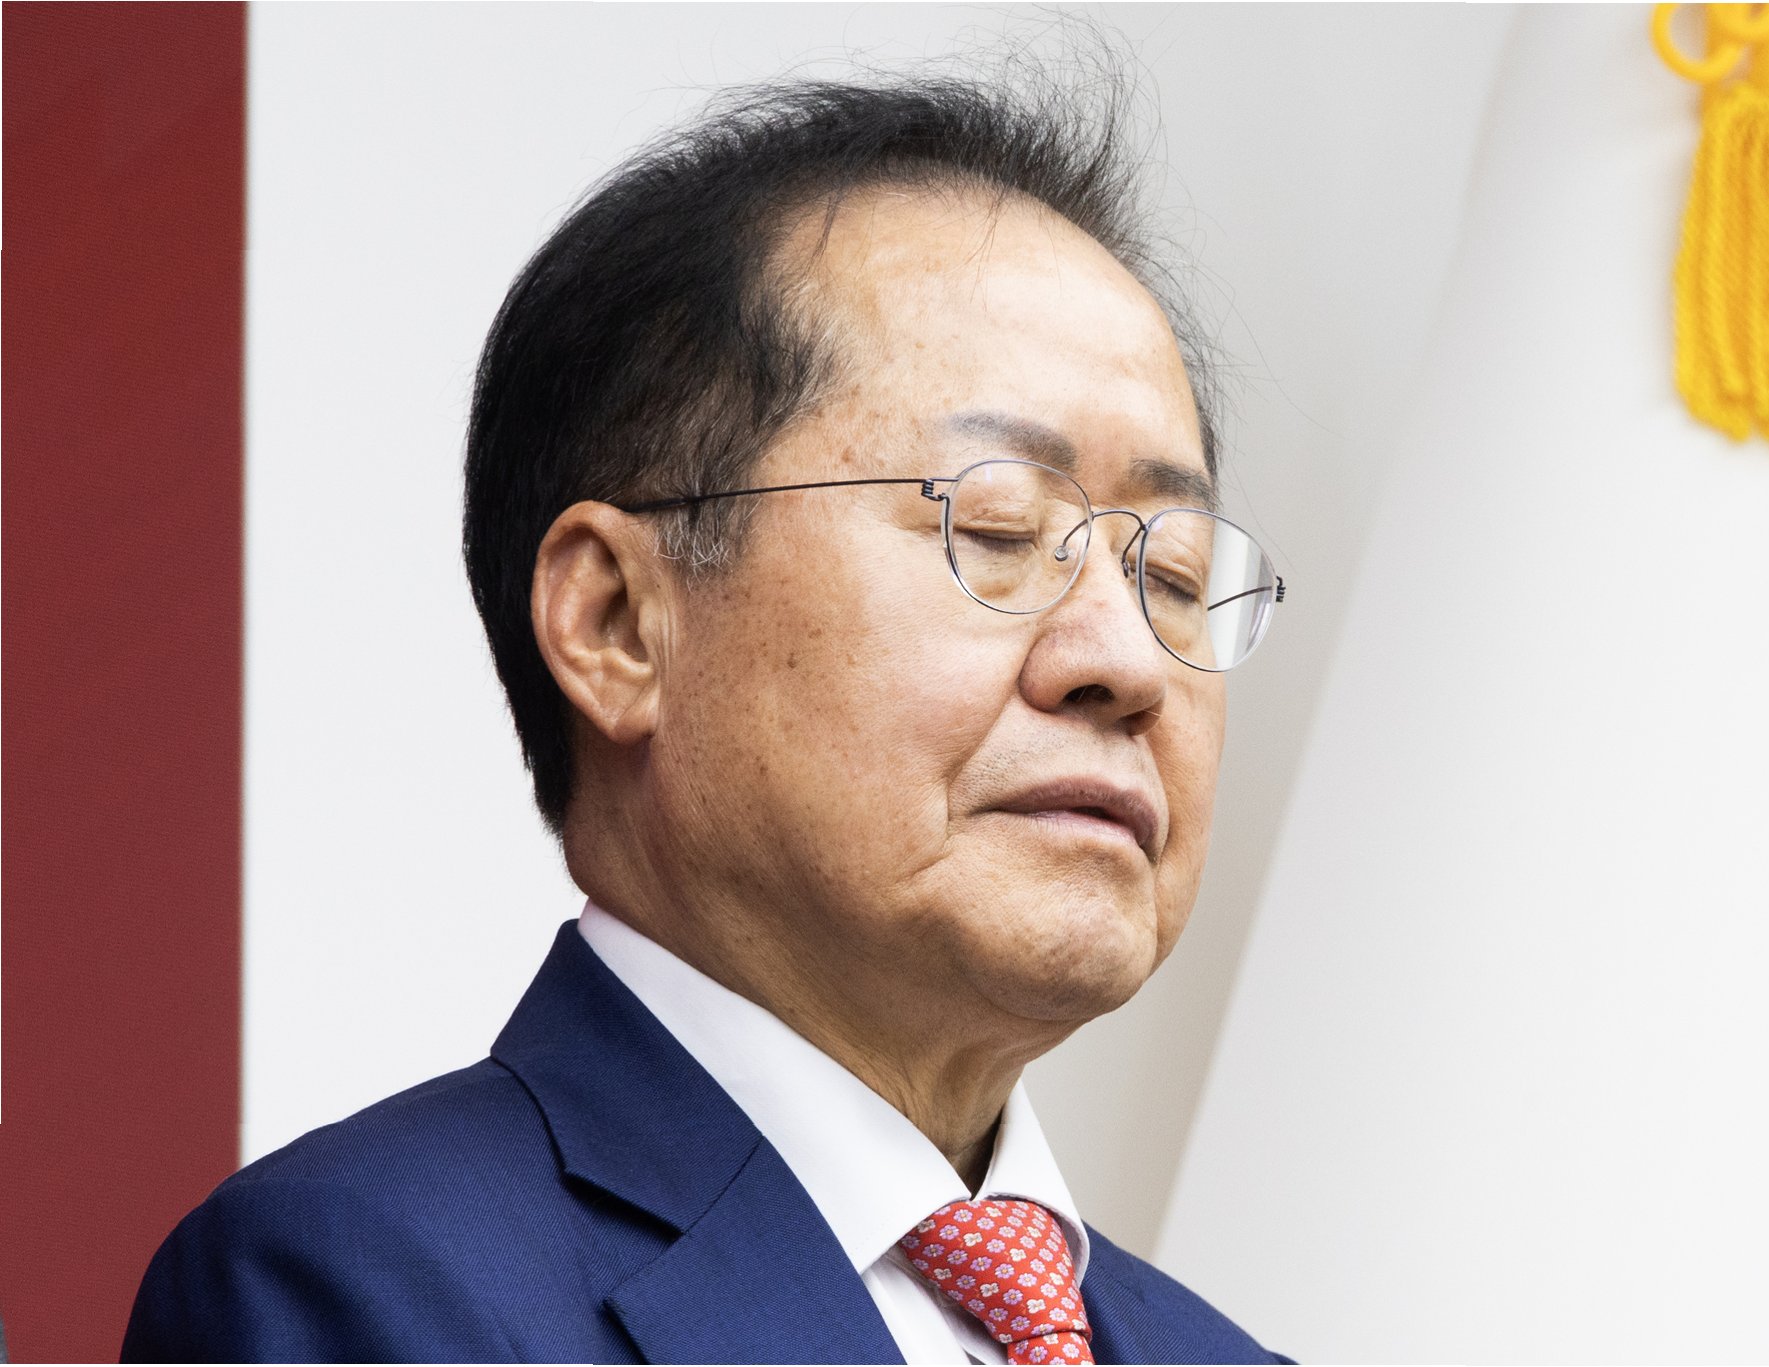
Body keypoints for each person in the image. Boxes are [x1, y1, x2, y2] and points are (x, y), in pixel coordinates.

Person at [124, 65, 1289, 1365]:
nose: (1125, 660)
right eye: (1000, 529)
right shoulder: (365, 1289)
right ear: (619, 624)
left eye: (1173, 572)